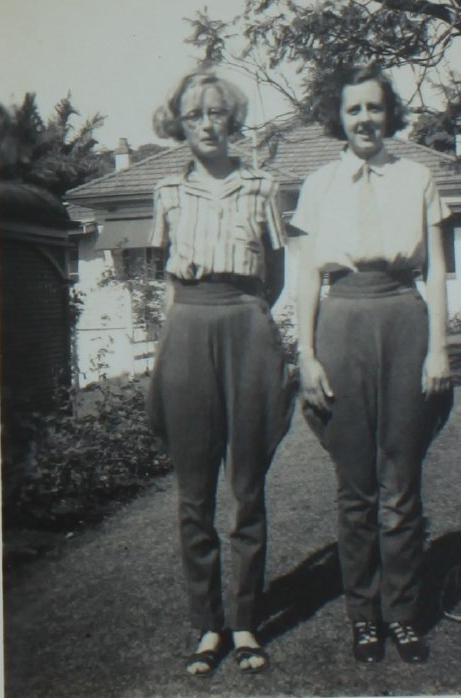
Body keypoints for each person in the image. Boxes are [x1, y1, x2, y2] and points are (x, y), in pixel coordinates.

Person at [292, 64, 452, 665]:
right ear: (340, 117)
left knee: (401, 482)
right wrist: (306, 354)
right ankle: (364, 616)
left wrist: (439, 346)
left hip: (404, 316)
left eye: (374, 108)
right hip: (342, 321)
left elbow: (436, 269)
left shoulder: (418, 177)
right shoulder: (317, 185)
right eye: (354, 109)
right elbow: (306, 276)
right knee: (355, 487)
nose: (364, 119)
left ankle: (404, 614)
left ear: (390, 115)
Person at [146, 70, 294, 676]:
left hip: (246, 322)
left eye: (215, 113)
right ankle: (207, 627)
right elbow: (169, 282)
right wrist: (168, 344)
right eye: (192, 116)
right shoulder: (167, 193)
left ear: (232, 119)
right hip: (187, 331)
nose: (205, 125)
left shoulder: (263, 186)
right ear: (178, 126)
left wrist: (250, 316)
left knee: (247, 486)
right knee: (193, 492)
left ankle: (246, 620)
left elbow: (277, 273)